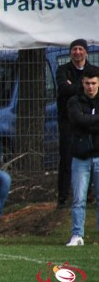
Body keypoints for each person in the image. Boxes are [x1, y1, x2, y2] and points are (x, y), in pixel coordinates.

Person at [56, 39, 95, 208]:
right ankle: (63, 197)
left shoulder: (93, 70)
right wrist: (83, 87)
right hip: (67, 120)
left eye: (80, 49)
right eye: (74, 49)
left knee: (91, 156)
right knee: (66, 157)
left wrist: (75, 86)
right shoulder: (62, 70)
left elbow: (90, 93)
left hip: (90, 121)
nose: (77, 52)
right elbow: (64, 89)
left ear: (86, 52)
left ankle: (88, 195)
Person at [64, 67, 99, 247]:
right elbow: (78, 121)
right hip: (80, 157)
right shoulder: (74, 101)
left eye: (93, 83)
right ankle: (77, 234)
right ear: (82, 83)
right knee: (79, 199)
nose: (90, 87)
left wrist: (87, 122)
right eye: (87, 83)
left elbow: (84, 122)